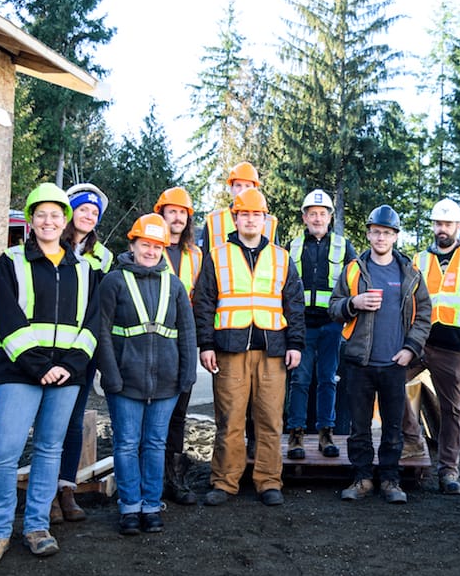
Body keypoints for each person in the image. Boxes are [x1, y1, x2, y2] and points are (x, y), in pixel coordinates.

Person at [0, 183, 99, 564]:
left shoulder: (84, 269)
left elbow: (92, 325)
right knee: (5, 454)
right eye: (41, 214)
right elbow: (7, 318)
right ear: (30, 220)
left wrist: (69, 366)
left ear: (65, 222)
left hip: (66, 376)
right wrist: (41, 367)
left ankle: (36, 527)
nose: (48, 221)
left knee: (49, 451)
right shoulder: (10, 262)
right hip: (20, 373)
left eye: (55, 215)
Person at [194, 187, 305, 507]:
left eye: (257, 214)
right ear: (236, 217)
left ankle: (269, 480)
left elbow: (293, 304)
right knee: (229, 418)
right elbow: (204, 303)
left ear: (265, 219)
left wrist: (296, 343)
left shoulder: (282, 257)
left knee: (270, 419)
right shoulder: (218, 255)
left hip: (273, 350)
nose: (251, 220)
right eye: (245, 214)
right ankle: (224, 481)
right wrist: (206, 344)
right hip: (230, 349)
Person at [97, 213, 197, 535]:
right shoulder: (114, 281)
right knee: (126, 444)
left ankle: (151, 506)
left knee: (155, 444)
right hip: (125, 383)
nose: (151, 251)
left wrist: (187, 375)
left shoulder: (175, 285)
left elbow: (187, 332)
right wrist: (110, 377)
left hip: (166, 383)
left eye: (157, 246)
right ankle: (129, 507)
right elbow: (102, 332)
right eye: (145, 245)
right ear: (133, 244)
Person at [328, 205, 431, 504]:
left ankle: (390, 479)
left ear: (395, 236)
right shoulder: (354, 269)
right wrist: (353, 302)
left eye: (387, 233)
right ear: (369, 234)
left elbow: (424, 314)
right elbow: (334, 308)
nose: (381, 238)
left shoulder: (410, 272)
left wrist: (411, 349)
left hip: (395, 363)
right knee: (358, 427)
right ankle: (362, 479)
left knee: (393, 427)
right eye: (376, 232)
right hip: (359, 362)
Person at [402, 197, 460, 495]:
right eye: (438, 223)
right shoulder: (419, 259)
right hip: (419, 341)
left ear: (458, 226)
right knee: (389, 383)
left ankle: (449, 471)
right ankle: (413, 440)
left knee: (452, 409)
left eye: (448, 224)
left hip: (457, 348)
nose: (442, 229)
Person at [49, 183, 113, 525]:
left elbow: (99, 308)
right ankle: (45, 495)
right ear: (70, 210)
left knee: (73, 421)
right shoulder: (49, 244)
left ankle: (66, 490)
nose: (88, 215)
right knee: (49, 424)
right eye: (83, 208)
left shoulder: (102, 256)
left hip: (81, 351)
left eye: (94, 212)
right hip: (45, 348)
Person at [286, 189, 357, 460]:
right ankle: (296, 434)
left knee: (328, 379)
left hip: (332, 325)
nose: (317, 219)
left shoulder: (343, 245)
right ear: (304, 217)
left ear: (330, 217)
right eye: (312, 214)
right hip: (302, 326)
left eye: (322, 214)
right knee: (300, 380)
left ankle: (326, 432)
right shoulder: (291, 247)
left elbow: (355, 280)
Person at [154, 186, 203, 505]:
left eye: (182, 213)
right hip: (152, 342)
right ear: (161, 214)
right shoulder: (148, 249)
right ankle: (151, 478)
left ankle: (174, 478)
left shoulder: (196, 256)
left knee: (178, 414)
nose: (177, 217)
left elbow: (204, 300)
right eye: (171, 211)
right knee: (151, 410)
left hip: (184, 342)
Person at [201, 161, 278, 254]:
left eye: (247, 186)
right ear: (231, 188)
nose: (242, 190)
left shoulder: (270, 223)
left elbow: (277, 259)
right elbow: (203, 259)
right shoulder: (214, 220)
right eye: (238, 185)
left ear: (255, 189)